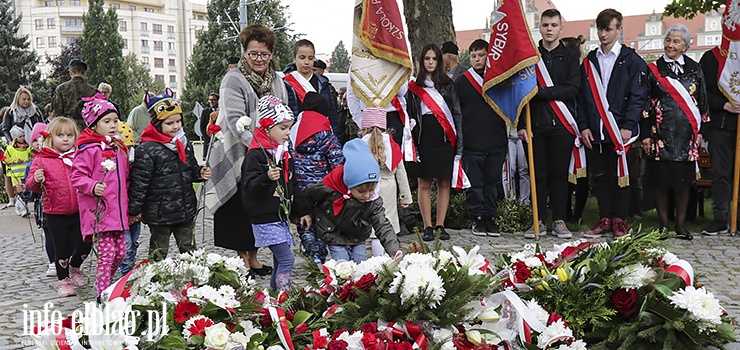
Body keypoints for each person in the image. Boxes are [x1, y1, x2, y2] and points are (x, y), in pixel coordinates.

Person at [205, 24, 287, 276]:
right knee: (239, 208)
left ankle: (255, 257)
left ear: (271, 54)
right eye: (253, 54)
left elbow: (282, 113)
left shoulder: (277, 80)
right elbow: (234, 118)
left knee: (260, 206)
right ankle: (243, 259)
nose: (258, 59)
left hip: (268, 154)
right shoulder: (233, 79)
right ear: (245, 53)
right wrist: (261, 147)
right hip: (238, 153)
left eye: (264, 54)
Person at [578, 9, 649, 238]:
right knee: (600, 176)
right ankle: (604, 218)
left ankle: (620, 220)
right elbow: (581, 97)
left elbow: (639, 96)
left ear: (619, 29)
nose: (602, 34)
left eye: (608, 29)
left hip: (621, 130)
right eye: (599, 28)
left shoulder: (632, 60)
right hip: (596, 130)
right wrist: (584, 126)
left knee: (621, 176)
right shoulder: (589, 61)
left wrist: (628, 124)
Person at [517, 9, 580, 239]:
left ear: (561, 27)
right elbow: (522, 93)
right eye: (545, 25)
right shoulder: (530, 57)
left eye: (554, 25)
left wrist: (542, 92)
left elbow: (573, 89)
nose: (549, 29)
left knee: (559, 175)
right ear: (540, 27)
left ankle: (560, 220)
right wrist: (521, 124)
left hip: (562, 125)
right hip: (535, 126)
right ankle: (539, 220)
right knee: (537, 175)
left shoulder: (571, 57)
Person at [128, 89, 212, 261]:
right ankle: (156, 281)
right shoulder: (147, 149)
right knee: (159, 250)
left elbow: (190, 167)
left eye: (178, 121)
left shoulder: (183, 143)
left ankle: (195, 280)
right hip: (159, 212)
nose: (176, 126)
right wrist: (134, 210)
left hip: (184, 207)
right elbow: (140, 182)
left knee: (189, 249)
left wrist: (199, 173)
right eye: (169, 123)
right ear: (157, 124)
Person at [642, 24, 708, 240]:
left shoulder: (695, 68)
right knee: (661, 181)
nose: (670, 45)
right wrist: (644, 134)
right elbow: (643, 104)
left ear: (686, 46)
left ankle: (680, 225)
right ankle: (662, 225)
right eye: (668, 40)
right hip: (659, 134)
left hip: (686, 136)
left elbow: (702, 103)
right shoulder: (653, 69)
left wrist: (701, 131)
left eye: (676, 41)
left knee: (683, 182)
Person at [242, 96, 310, 290]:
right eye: (283, 128)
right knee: (287, 259)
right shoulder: (256, 154)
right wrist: (266, 178)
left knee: (281, 260)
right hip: (264, 217)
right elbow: (249, 187)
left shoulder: (283, 153)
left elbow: (292, 183)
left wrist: (301, 210)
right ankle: (284, 296)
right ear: (266, 127)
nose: (288, 133)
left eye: (289, 128)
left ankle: (275, 295)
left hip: (281, 216)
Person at [306, 139, 402, 263]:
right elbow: (309, 195)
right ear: (349, 184)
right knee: (343, 267)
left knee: (360, 267)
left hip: (357, 234)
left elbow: (382, 224)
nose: (367, 195)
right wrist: (304, 213)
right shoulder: (331, 186)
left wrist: (394, 250)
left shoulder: (373, 200)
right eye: (361, 191)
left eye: (371, 190)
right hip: (333, 232)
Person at [70, 95, 129, 295]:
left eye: (115, 120)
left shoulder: (119, 148)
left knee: (121, 253)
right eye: (107, 121)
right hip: (100, 212)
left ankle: (108, 284)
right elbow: (77, 176)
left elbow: (125, 178)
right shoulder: (89, 149)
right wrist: (92, 185)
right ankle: (103, 295)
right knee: (107, 254)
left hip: (118, 212)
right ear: (94, 125)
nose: (113, 125)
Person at [27, 117, 91, 297]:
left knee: (85, 244)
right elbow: (32, 185)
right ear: (50, 137)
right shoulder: (42, 159)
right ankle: (63, 280)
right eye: (60, 135)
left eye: (69, 135)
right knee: (61, 250)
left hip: (79, 209)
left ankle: (75, 267)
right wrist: (36, 180)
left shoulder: (78, 156)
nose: (65, 139)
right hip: (55, 212)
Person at [406, 43, 463, 242]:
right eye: (427, 59)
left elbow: (457, 114)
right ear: (422, 61)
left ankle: (440, 224)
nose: (430, 62)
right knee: (424, 181)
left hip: (445, 136)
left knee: (444, 181)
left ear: (439, 62)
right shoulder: (414, 87)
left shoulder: (448, 85)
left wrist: (460, 144)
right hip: (424, 136)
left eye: (434, 59)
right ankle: (427, 226)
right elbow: (410, 115)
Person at [454, 39, 508, 237]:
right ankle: (476, 218)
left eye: (481, 55)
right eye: (474, 56)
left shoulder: (499, 78)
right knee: (475, 185)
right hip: (472, 142)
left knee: (492, 184)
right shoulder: (462, 82)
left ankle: (490, 218)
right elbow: (456, 112)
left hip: (496, 140)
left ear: (489, 55)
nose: (477, 60)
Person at [290, 92, 344, 264]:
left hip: (299, 189)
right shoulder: (326, 134)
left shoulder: (291, 132)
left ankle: (313, 255)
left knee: (305, 224)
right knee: (321, 222)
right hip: (323, 188)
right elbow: (338, 163)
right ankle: (320, 258)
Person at [359, 107, 412, 256]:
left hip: (367, 187)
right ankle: (387, 258)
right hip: (389, 187)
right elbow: (400, 171)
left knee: (373, 229)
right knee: (387, 223)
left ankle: (375, 259)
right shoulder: (392, 144)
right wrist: (405, 196)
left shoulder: (361, 144)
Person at [700, 40, 740, 235]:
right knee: (721, 174)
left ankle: (738, 220)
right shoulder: (711, 58)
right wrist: (725, 105)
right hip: (720, 126)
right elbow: (702, 93)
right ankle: (720, 218)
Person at [18, 122, 55, 276]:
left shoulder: (57, 160)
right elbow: (30, 190)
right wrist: (24, 190)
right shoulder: (31, 165)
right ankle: (53, 262)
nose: (39, 142)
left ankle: (66, 258)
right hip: (43, 204)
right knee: (49, 234)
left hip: (58, 201)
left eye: (43, 138)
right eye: (35, 140)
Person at [283, 40, 338, 134]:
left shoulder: (323, 83)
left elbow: (332, 113)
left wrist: (336, 136)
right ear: (294, 59)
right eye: (302, 58)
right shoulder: (286, 83)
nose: (306, 62)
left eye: (310, 58)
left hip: (322, 134)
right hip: (296, 134)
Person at [117, 121, 140, 276]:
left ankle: (129, 269)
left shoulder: (136, 164)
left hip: (134, 211)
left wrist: (136, 211)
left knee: (134, 241)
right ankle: (126, 273)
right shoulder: (112, 166)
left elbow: (140, 188)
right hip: (119, 213)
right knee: (126, 245)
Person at [51, 58, 96, 131]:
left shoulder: (61, 89)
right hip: (88, 130)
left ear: (71, 72)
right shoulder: (93, 91)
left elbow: (57, 113)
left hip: (68, 129)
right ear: (84, 73)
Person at [3, 125, 31, 213]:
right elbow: (4, 159)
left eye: (23, 136)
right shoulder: (10, 148)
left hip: (25, 173)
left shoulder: (28, 147)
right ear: (15, 138)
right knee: (19, 190)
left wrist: (30, 159)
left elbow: (31, 156)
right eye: (20, 136)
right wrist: (15, 160)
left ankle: (21, 206)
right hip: (15, 174)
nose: (22, 138)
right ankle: (22, 208)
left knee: (25, 190)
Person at [199, 92, 219, 158]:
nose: (211, 102)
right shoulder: (205, 112)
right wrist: (209, 136)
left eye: (213, 100)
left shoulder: (222, 111)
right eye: (210, 100)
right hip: (208, 141)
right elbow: (202, 127)